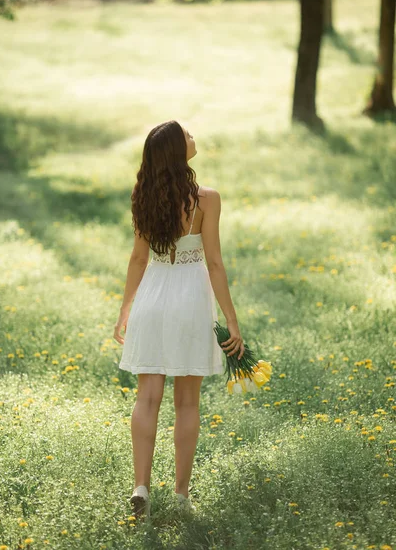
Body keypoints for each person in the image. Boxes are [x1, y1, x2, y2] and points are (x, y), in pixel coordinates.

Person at [113, 120, 245, 520]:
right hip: (190, 299)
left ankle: (141, 487)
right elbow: (215, 264)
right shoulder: (207, 199)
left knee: (146, 398)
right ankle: (182, 495)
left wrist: (125, 309)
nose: (193, 136)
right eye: (187, 134)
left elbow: (138, 258)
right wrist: (232, 322)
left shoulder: (144, 195)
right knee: (187, 402)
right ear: (177, 150)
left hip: (153, 297)